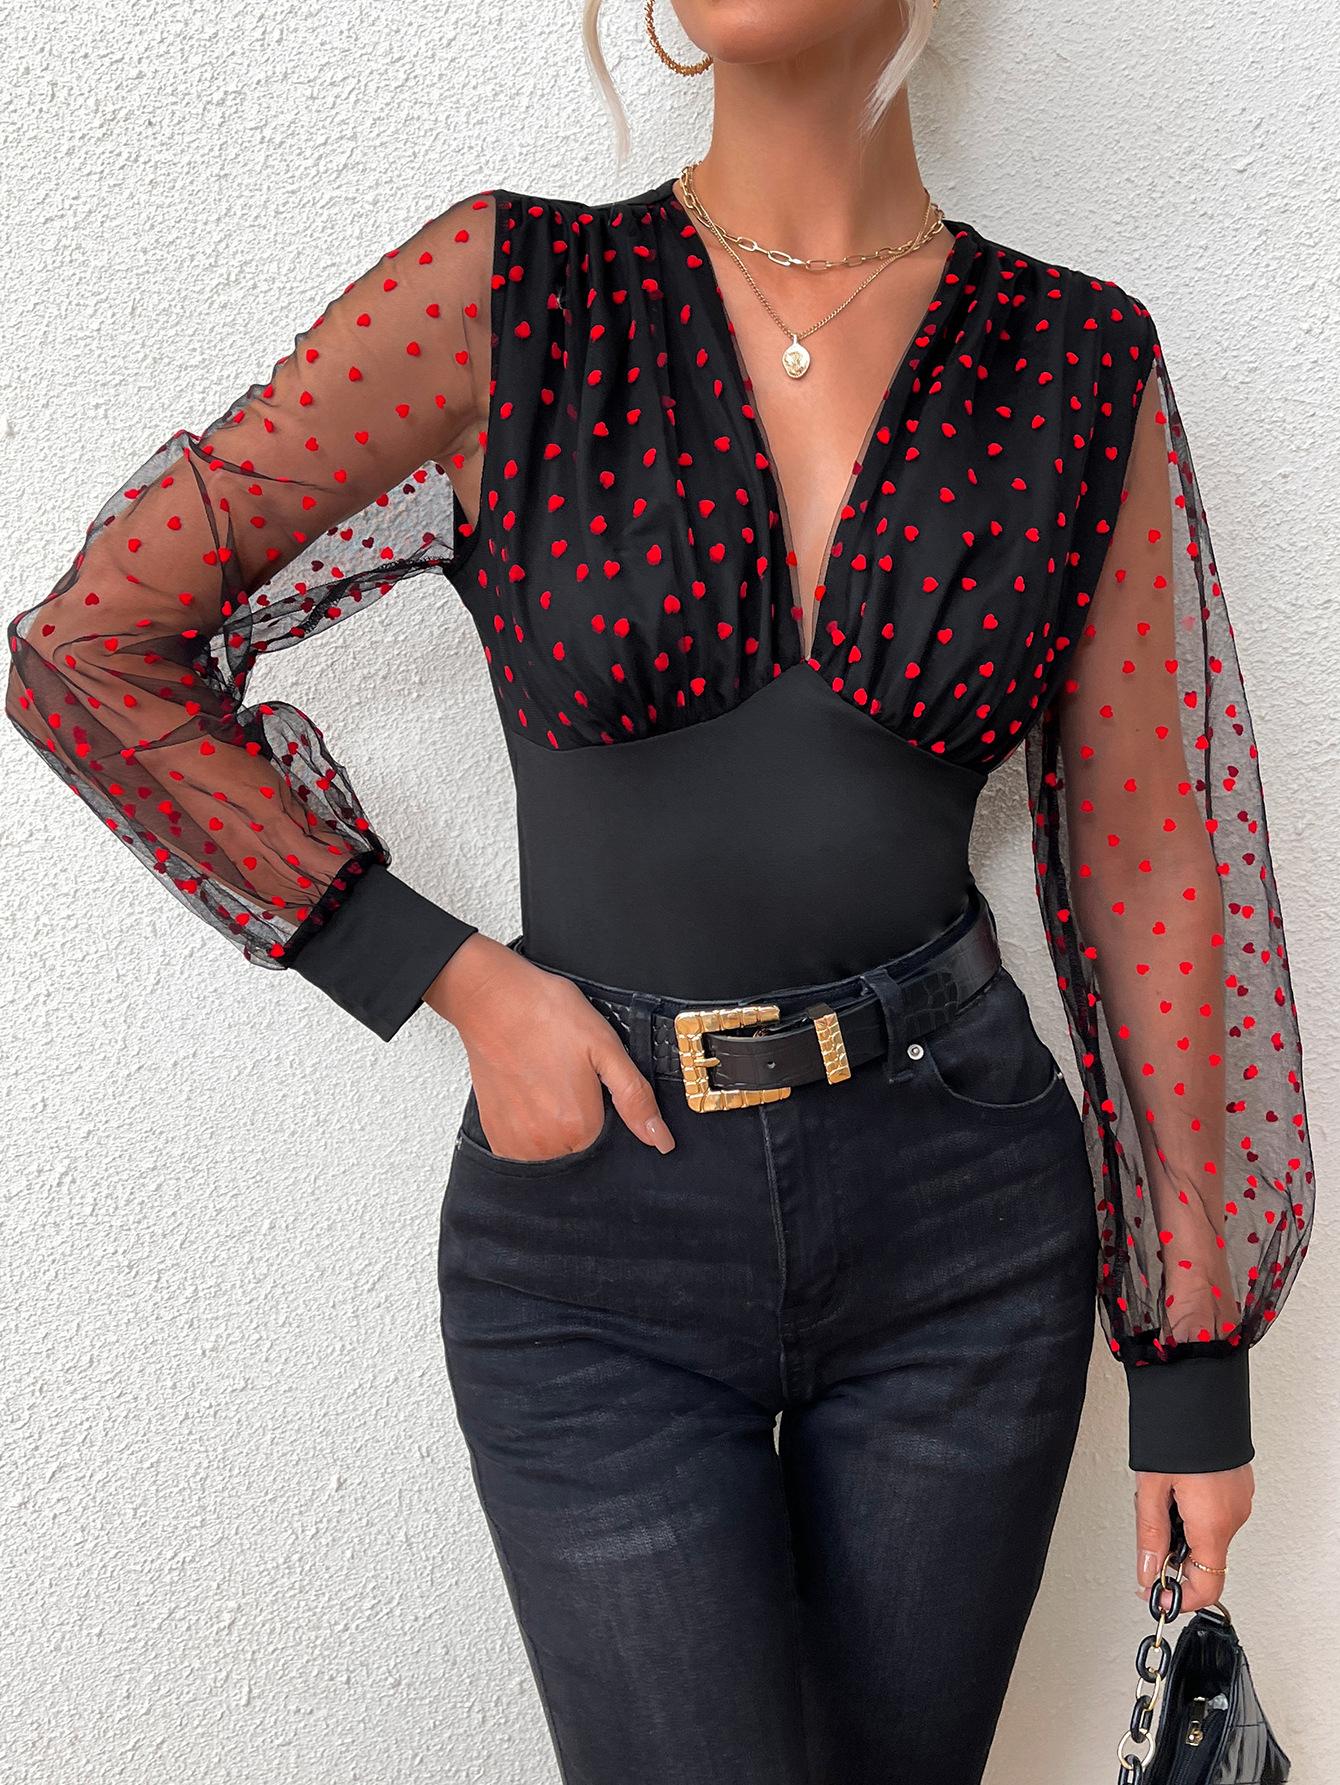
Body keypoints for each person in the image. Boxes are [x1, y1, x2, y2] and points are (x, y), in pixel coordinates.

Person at [5, 1, 1315, 1780]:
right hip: (592, 1249)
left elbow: (1156, 857)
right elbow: (93, 644)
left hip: (964, 1231)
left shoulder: (1078, 359)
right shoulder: (509, 295)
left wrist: (1194, 1360)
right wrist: (447, 972)